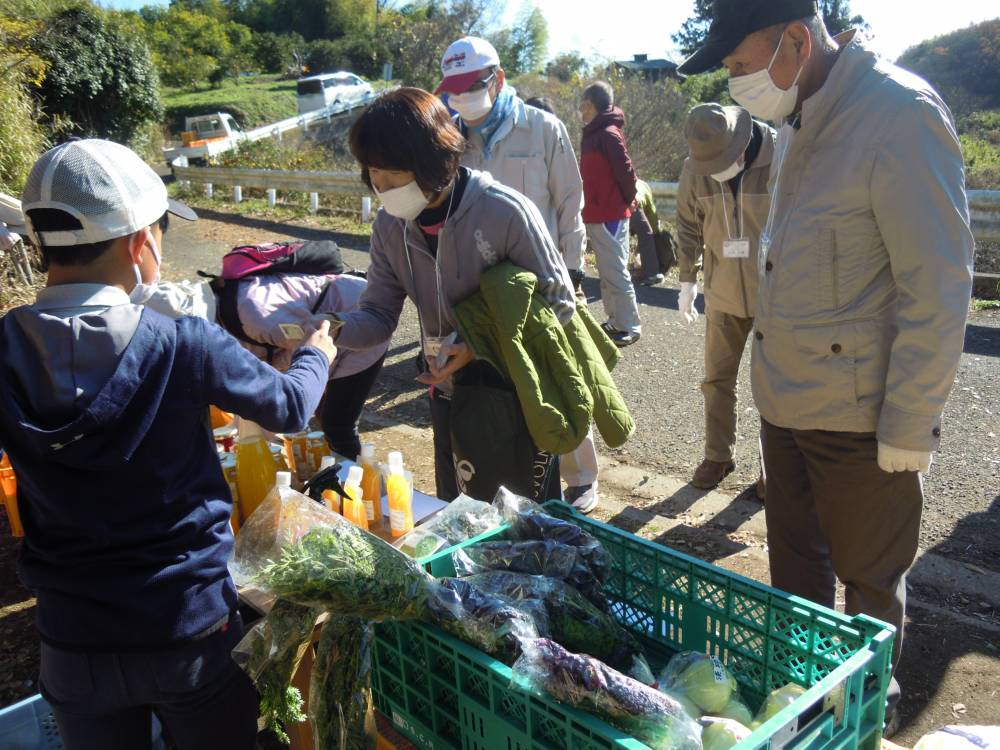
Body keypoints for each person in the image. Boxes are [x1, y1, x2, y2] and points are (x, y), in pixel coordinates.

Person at [679, 0, 975, 723]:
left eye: (741, 65)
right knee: (796, 579)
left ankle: (867, 716)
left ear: (795, 41)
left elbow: (937, 286)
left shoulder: (898, 116)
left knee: (869, 589)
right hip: (786, 405)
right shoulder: (797, 116)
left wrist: (909, 425)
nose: (736, 79)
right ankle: (804, 708)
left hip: (864, 420)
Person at [0, 139, 336, 750]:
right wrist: (317, 353)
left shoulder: (4, 349)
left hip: (73, 640)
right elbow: (289, 408)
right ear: (138, 244)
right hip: (188, 631)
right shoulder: (182, 342)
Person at [333, 87, 576, 503]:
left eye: (394, 176)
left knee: (527, 527)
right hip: (449, 395)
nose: (383, 189)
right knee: (459, 514)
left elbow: (558, 302)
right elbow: (376, 313)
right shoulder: (391, 227)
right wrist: (329, 330)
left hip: (515, 396)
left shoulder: (503, 211)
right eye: (374, 176)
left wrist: (473, 346)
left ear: (433, 160)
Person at [435, 37, 602, 512]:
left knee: (560, 377)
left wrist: (572, 270)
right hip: (484, 288)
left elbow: (571, 201)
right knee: (508, 391)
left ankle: (582, 476)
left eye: (472, 87)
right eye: (454, 90)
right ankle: (515, 475)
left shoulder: (541, 128)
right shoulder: (450, 141)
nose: (462, 98)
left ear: (499, 79)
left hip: (542, 283)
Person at [675, 103, 774, 497]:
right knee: (716, 380)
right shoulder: (695, 167)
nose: (713, 169)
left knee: (775, 387)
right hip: (723, 292)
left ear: (741, 142)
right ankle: (718, 455)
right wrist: (687, 279)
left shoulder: (781, 154)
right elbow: (686, 223)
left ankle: (774, 468)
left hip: (775, 294)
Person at [579, 81, 641, 346]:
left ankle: (629, 325)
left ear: (591, 104)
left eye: (582, 102)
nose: (579, 108)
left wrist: (629, 199)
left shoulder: (607, 133)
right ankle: (616, 320)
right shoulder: (596, 132)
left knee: (615, 271)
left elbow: (626, 171)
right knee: (607, 271)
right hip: (598, 211)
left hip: (610, 213)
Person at [630, 179, 675, 286]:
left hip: (614, 206)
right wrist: (655, 232)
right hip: (634, 205)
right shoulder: (644, 187)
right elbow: (651, 214)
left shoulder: (632, 181)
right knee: (647, 235)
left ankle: (614, 273)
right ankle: (652, 274)